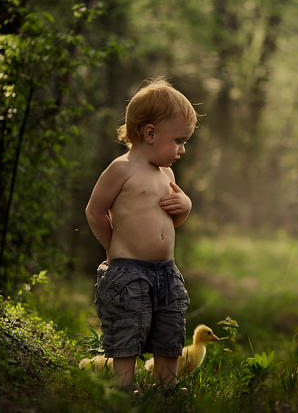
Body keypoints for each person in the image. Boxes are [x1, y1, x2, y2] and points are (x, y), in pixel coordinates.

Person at [85, 78, 197, 389]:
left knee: (170, 325)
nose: (182, 150)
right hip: (128, 272)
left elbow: (170, 220)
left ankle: (166, 385)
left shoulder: (167, 174)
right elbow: (94, 211)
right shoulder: (121, 170)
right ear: (150, 133)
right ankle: (123, 386)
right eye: (178, 140)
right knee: (128, 326)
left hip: (167, 272)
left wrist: (185, 206)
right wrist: (112, 246)